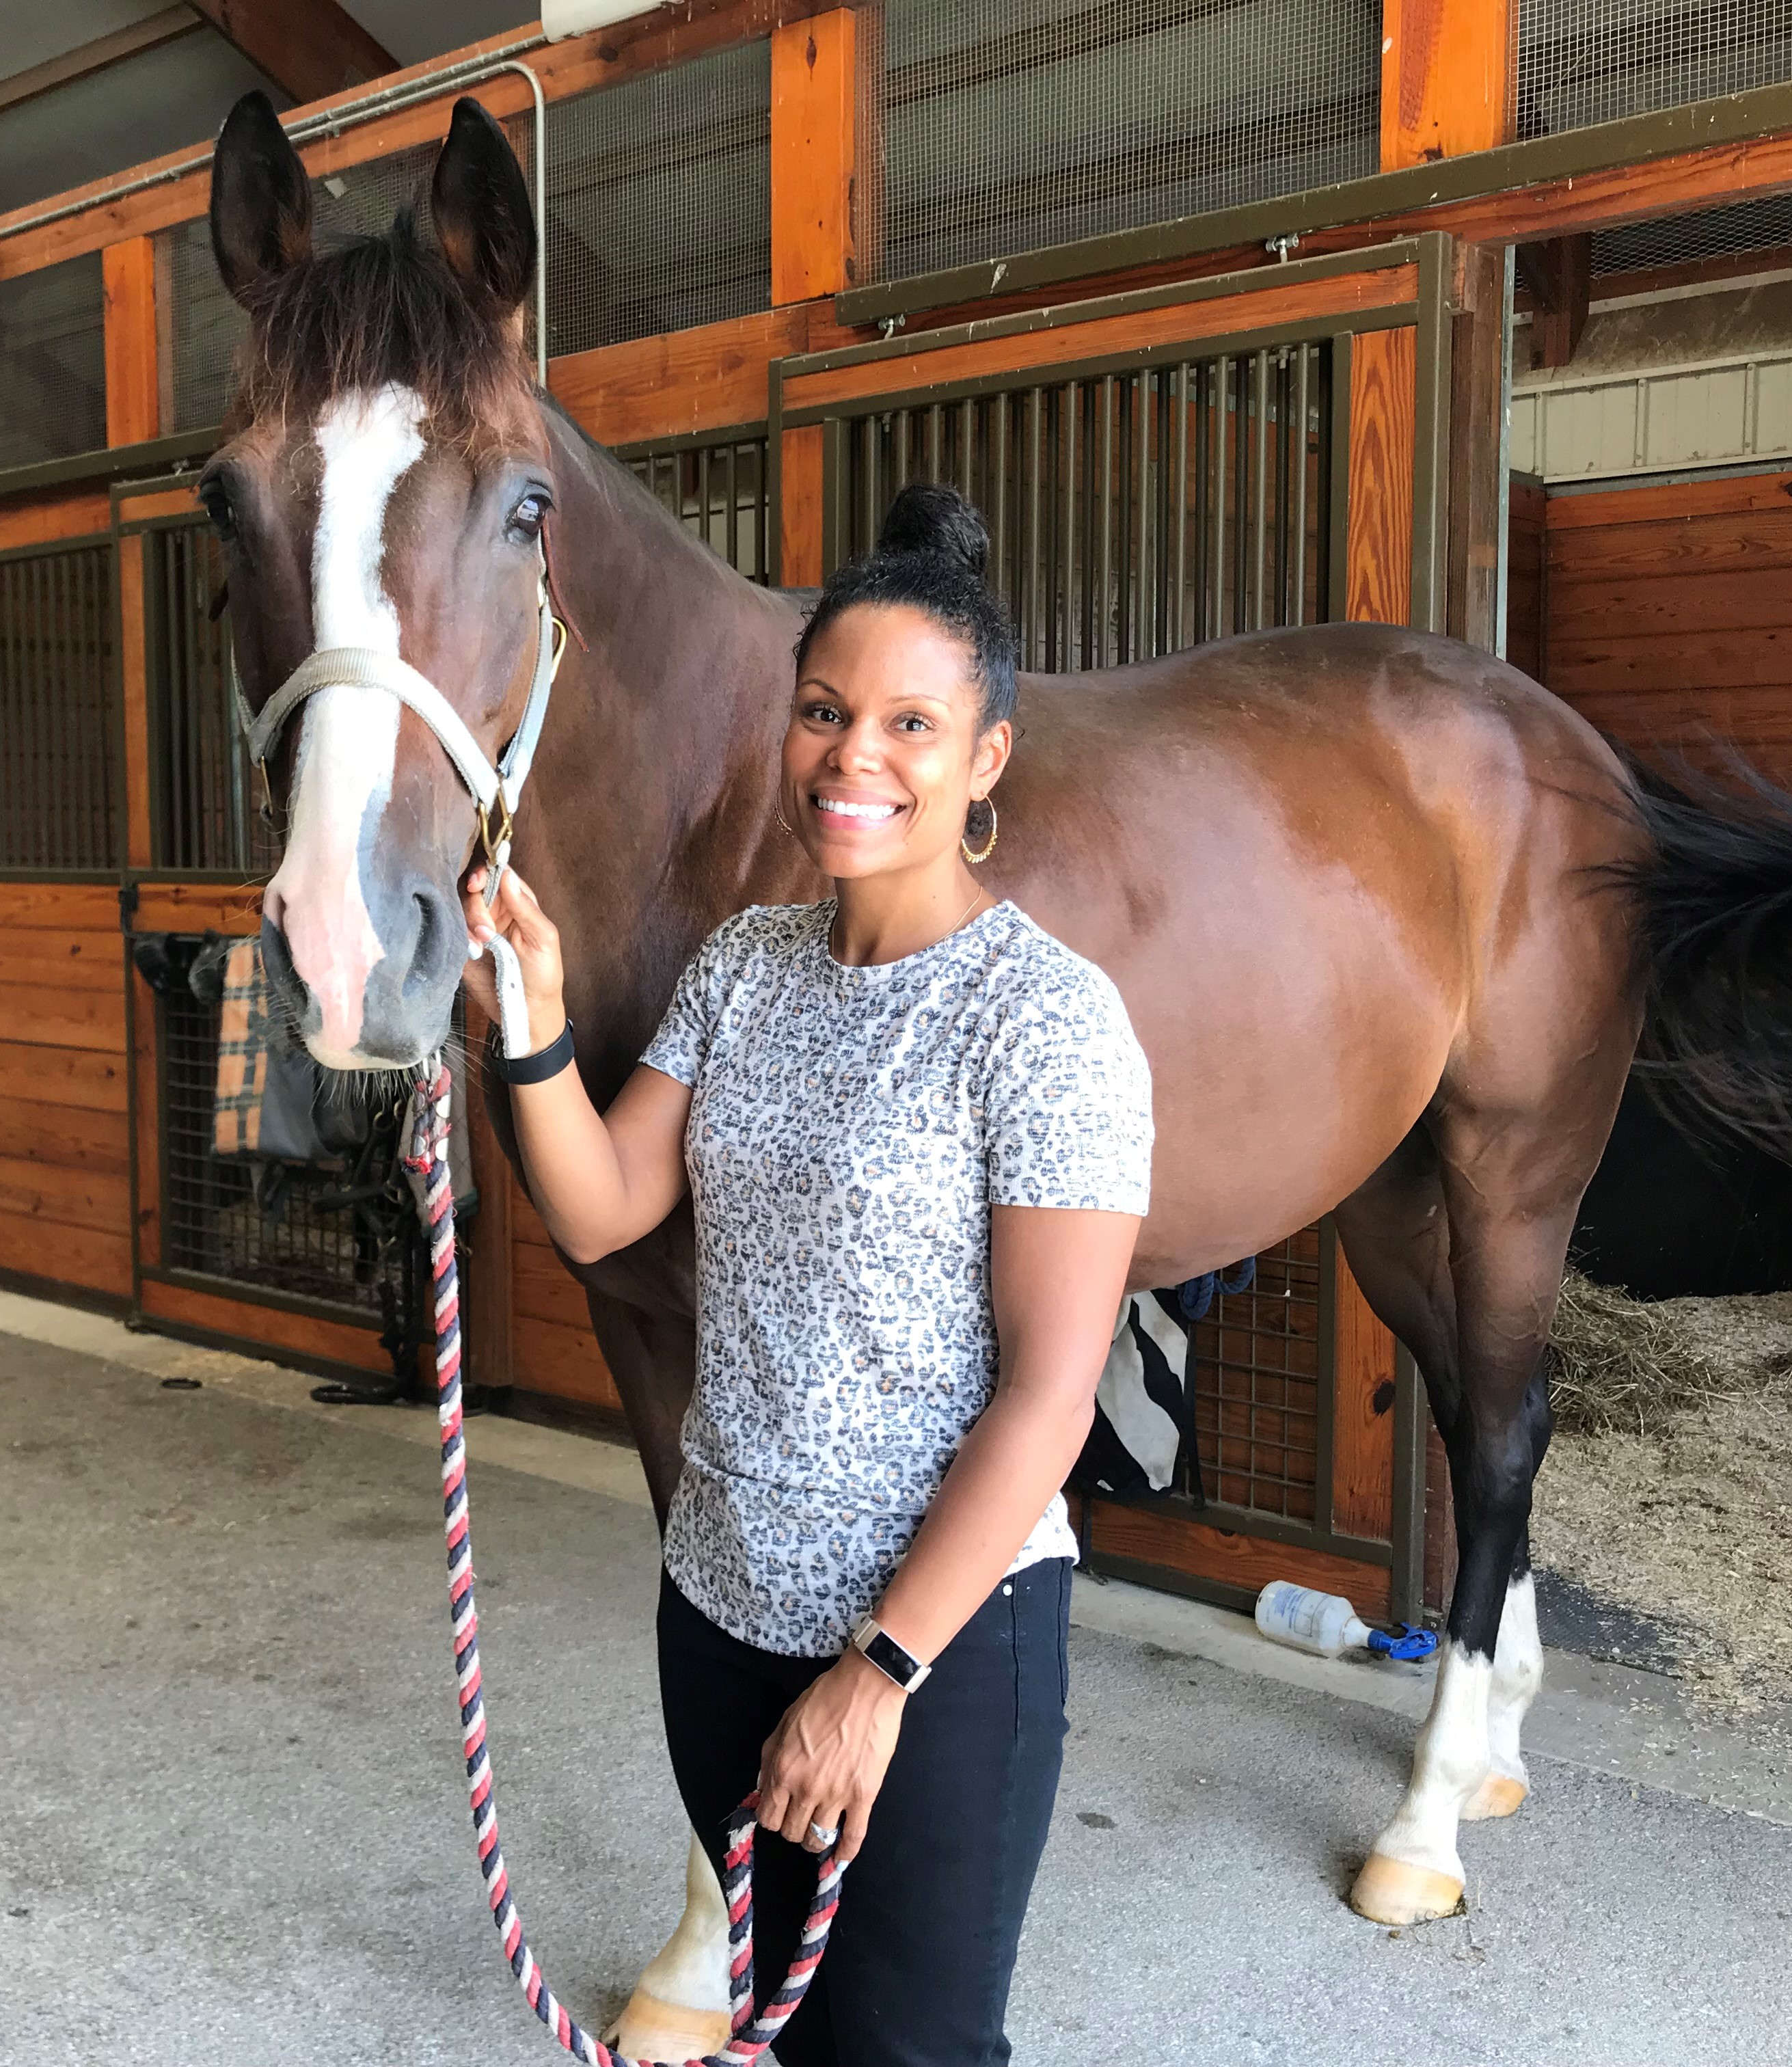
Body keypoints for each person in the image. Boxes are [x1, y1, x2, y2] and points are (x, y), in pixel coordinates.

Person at [461, 483, 1152, 2066]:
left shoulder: (1044, 1026)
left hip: (933, 1647)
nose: (856, 757)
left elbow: (1053, 1393)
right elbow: (603, 1209)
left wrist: (881, 1672)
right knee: (780, 2021)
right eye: (828, 712)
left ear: (985, 762)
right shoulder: (746, 966)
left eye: (914, 724)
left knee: (904, 2048)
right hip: (716, 1602)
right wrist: (533, 1016)